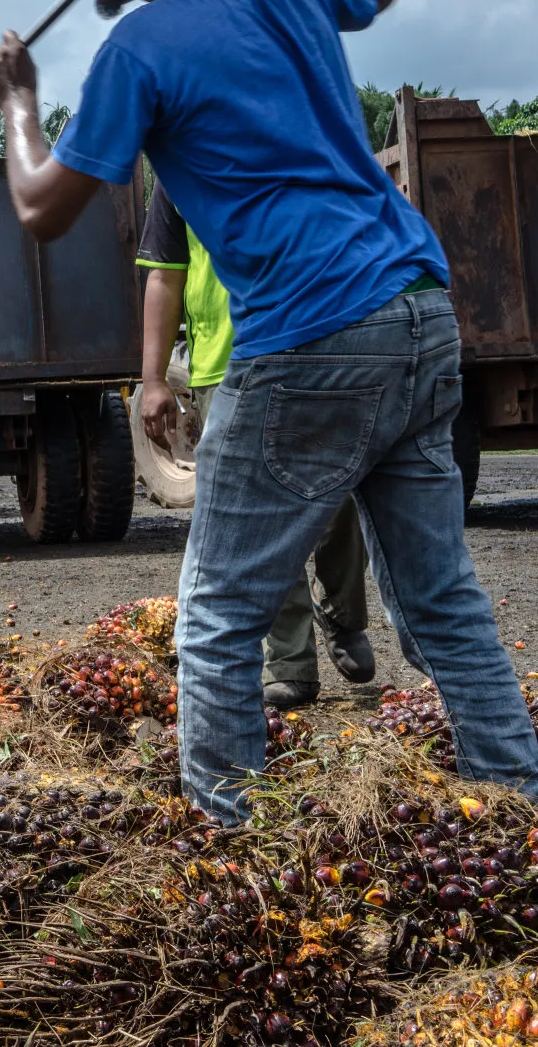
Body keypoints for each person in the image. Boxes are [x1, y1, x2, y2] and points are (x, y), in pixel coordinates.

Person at [0, 0, 538, 821]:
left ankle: (230, 861)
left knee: (216, 616)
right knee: (441, 605)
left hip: (310, 336)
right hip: (414, 314)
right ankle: (522, 806)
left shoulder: (136, 51)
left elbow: (42, 206)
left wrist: (19, 105)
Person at [136, 180, 375, 708]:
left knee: (335, 498)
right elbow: (165, 277)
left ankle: (343, 614)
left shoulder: (287, 143)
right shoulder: (177, 176)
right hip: (223, 369)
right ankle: (290, 662)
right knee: (260, 519)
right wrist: (153, 379)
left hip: (309, 352)